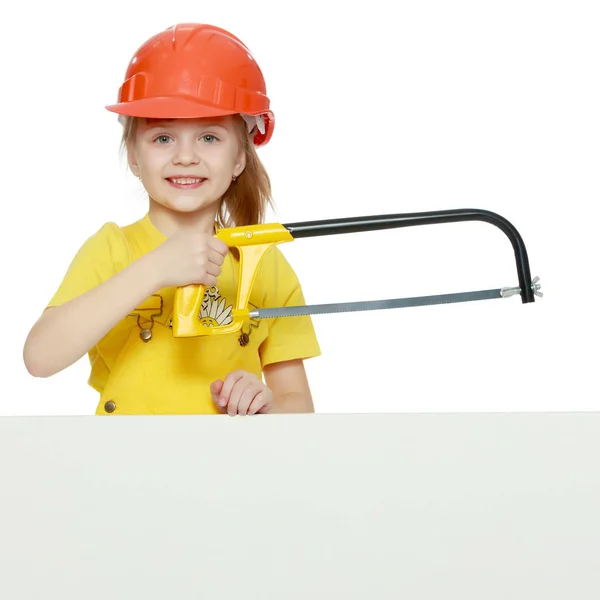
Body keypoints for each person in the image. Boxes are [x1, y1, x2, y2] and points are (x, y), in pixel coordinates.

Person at [22, 23, 321, 416]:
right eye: (163, 138)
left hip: (235, 467)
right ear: (133, 155)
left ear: (239, 158)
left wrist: (267, 407)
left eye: (209, 137)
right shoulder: (114, 249)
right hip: (124, 467)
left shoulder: (263, 263)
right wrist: (156, 269)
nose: (185, 156)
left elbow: (298, 408)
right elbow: (40, 358)